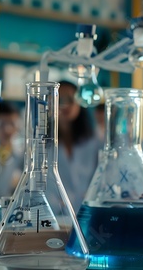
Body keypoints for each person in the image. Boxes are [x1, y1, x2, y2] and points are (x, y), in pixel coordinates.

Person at [57, 80, 101, 211]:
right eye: (60, 100)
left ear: (80, 102)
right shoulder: (42, 142)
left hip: (85, 211)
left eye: (70, 99)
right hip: (53, 215)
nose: (65, 105)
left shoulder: (94, 140)